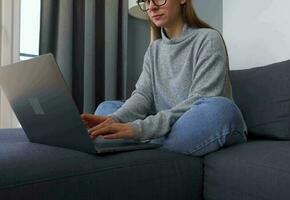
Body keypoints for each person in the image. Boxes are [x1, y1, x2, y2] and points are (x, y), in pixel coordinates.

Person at [81, 0, 247, 156]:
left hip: (201, 123)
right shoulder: (154, 49)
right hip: (170, 127)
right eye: (146, 1)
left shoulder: (208, 39)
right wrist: (113, 119)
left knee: (220, 109)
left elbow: (201, 99)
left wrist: (140, 129)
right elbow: (142, 96)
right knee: (106, 108)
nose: (151, 7)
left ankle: (146, 143)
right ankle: (154, 144)